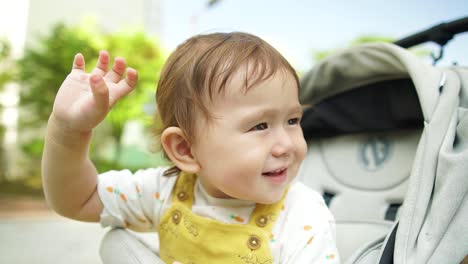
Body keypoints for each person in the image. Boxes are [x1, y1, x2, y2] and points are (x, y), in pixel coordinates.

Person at [42, 32, 340, 263]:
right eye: (260, 126)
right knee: (115, 244)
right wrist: (68, 132)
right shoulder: (165, 191)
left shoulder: (302, 214)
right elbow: (78, 200)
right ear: (185, 149)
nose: (286, 144)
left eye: (292, 120)